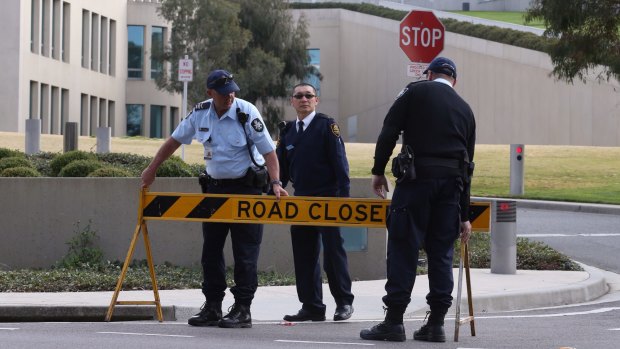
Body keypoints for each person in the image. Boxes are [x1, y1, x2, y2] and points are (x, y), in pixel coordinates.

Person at [141, 69, 288, 329]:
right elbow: (174, 142)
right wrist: (152, 169)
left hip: (246, 190)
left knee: (245, 252)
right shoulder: (200, 113)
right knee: (210, 251)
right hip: (214, 191)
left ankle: (243, 309)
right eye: (223, 92)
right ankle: (212, 306)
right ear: (210, 93)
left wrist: (275, 183)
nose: (229, 96)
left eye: (232, 90)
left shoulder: (246, 112)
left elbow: (269, 152)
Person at [359, 57, 476, 342]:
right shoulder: (466, 110)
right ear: (454, 81)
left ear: (430, 74)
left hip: (416, 183)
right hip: (451, 188)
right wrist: (464, 215)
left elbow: (389, 132)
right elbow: (467, 166)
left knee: (403, 247)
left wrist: (378, 171)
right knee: (441, 254)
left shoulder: (414, 91)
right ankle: (436, 324)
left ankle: (394, 321)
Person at [276, 83, 355, 322]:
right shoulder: (288, 131)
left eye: (308, 96)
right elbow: (281, 169)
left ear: (316, 100)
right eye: (298, 96)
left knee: (333, 254)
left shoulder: (326, 126)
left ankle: (343, 303)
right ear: (292, 101)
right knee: (304, 254)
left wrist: (343, 199)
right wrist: (275, 185)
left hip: (328, 198)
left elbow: (340, 164)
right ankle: (311, 306)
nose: (304, 99)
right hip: (301, 200)